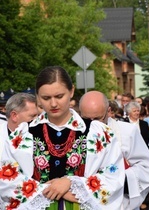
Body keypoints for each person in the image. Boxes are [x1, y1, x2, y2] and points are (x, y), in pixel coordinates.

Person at [0, 66, 125, 209]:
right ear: (38, 98)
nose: (53, 104)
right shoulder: (23, 135)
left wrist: (72, 183)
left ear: (71, 91)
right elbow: (7, 180)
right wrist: (52, 190)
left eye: (59, 96)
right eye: (46, 98)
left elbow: (113, 177)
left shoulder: (98, 133)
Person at [79, 91, 149, 209]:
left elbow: (147, 168)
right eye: (87, 119)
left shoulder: (126, 131)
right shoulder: (75, 133)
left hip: (119, 203)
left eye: (98, 118)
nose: (93, 124)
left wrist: (120, 179)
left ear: (108, 111)